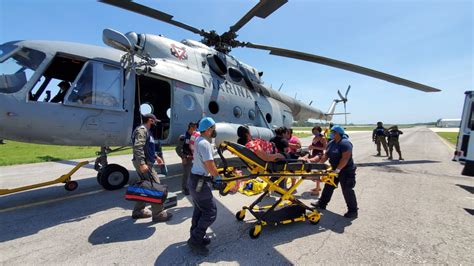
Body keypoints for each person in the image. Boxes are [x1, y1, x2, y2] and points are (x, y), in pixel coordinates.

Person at [187, 117, 220, 256]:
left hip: (195, 179)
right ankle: (195, 241)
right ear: (207, 129)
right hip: (199, 182)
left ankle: (195, 237)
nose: (214, 131)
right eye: (213, 128)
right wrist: (218, 177)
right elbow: (210, 165)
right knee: (210, 212)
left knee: (199, 210)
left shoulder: (199, 140)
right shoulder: (205, 143)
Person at [131, 113, 173, 222]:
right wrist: (142, 163)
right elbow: (138, 147)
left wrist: (156, 157)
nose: (156, 123)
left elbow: (147, 148)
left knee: (145, 186)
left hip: (146, 161)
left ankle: (138, 211)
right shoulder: (142, 130)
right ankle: (158, 214)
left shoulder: (147, 131)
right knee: (155, 187)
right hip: (144, 163)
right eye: (155, 121)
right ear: (150, 120)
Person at [311, 125, 358, 219]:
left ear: (338, 133)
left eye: (333, 132)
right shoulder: (331, 143)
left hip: (346, 170)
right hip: (334, 169)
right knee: (328, 186)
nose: (331, 134)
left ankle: (353, 211)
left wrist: (338, 170)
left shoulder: (345, 143)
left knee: (347, 190)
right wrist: (319, 165)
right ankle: (322, 204)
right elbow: (326, 155)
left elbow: (345, 158)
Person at [307, 126, 327, 196]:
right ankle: (317, 187)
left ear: (319, 131)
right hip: (314, 154)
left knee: (316, 171)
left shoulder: (323, 138)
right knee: (315, 171)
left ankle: (317, 190)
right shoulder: (314, 138)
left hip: (319, 155)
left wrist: (314, 147)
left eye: (316, 131)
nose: (314, 133)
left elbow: (325, 148)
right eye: (313, 132)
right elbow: (313, 146)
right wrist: (310, 147)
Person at [180, 122, 197, 195]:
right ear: (191, 127)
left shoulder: (194, 136)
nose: (196, 129)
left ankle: (190, 187)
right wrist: (183, 157)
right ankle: (185, 189)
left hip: (193, 158)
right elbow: (178, 148)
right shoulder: (183, 136)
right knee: (186, 174)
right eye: (195, 128)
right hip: (187, 158)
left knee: (192, 174)